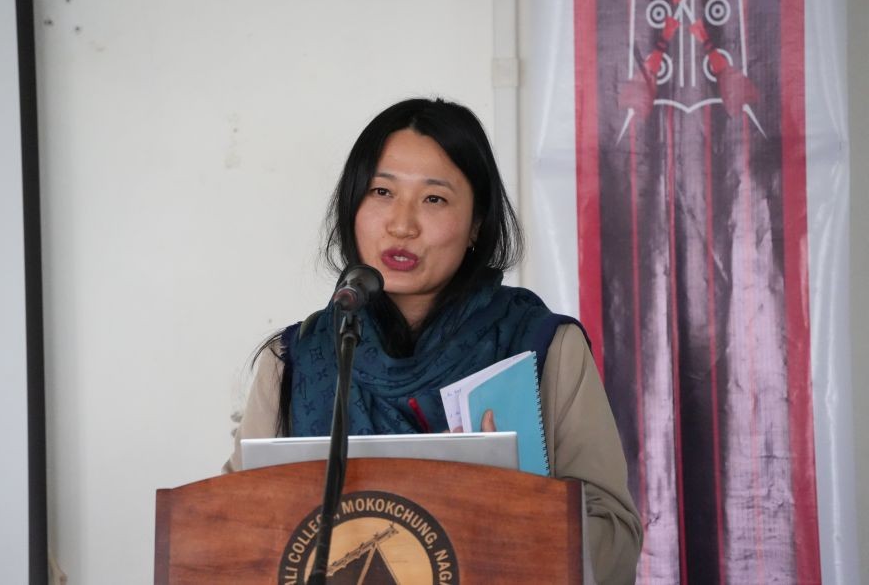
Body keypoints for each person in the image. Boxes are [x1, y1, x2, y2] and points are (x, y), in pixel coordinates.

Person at [224, 98, 643, 583]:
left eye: (434, 199)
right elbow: (233, 530)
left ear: (477, 224)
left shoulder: (542, 349)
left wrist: (516, 507)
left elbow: (616, 544)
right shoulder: (295, 360)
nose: (402, 224)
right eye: (381, 192)